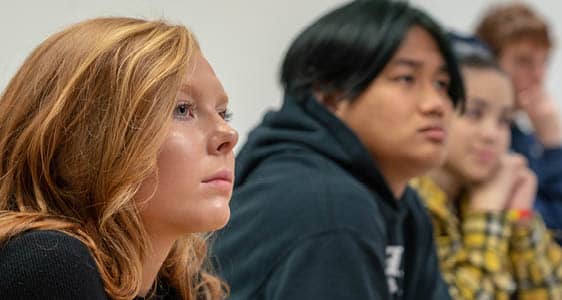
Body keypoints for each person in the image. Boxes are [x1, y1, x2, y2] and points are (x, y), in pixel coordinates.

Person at [212, 1, 464, 299]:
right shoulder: (328, 206)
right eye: (406, 79)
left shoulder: (405, 207)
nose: (436, 103)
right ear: (330, 96)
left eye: (442, 83)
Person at [0, 17, 238, 299]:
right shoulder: (49, 263)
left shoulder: (180, 283)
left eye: (223, 113)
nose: (228, 134)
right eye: (182, 109)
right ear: (87, 137)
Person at [411, 35, 562, 300]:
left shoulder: (493, 187)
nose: (492, 134)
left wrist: (521, 219)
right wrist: (486, 215)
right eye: (474, 113)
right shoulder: (411, 202)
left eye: (504, 120)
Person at [475, 2, 562, 242]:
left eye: (543, 62)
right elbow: (546, 229)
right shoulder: (482, 140)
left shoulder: (525, 139)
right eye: (524, 62)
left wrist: (552, 144)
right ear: (488, 63)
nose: (538, 76)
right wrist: (554, 147)